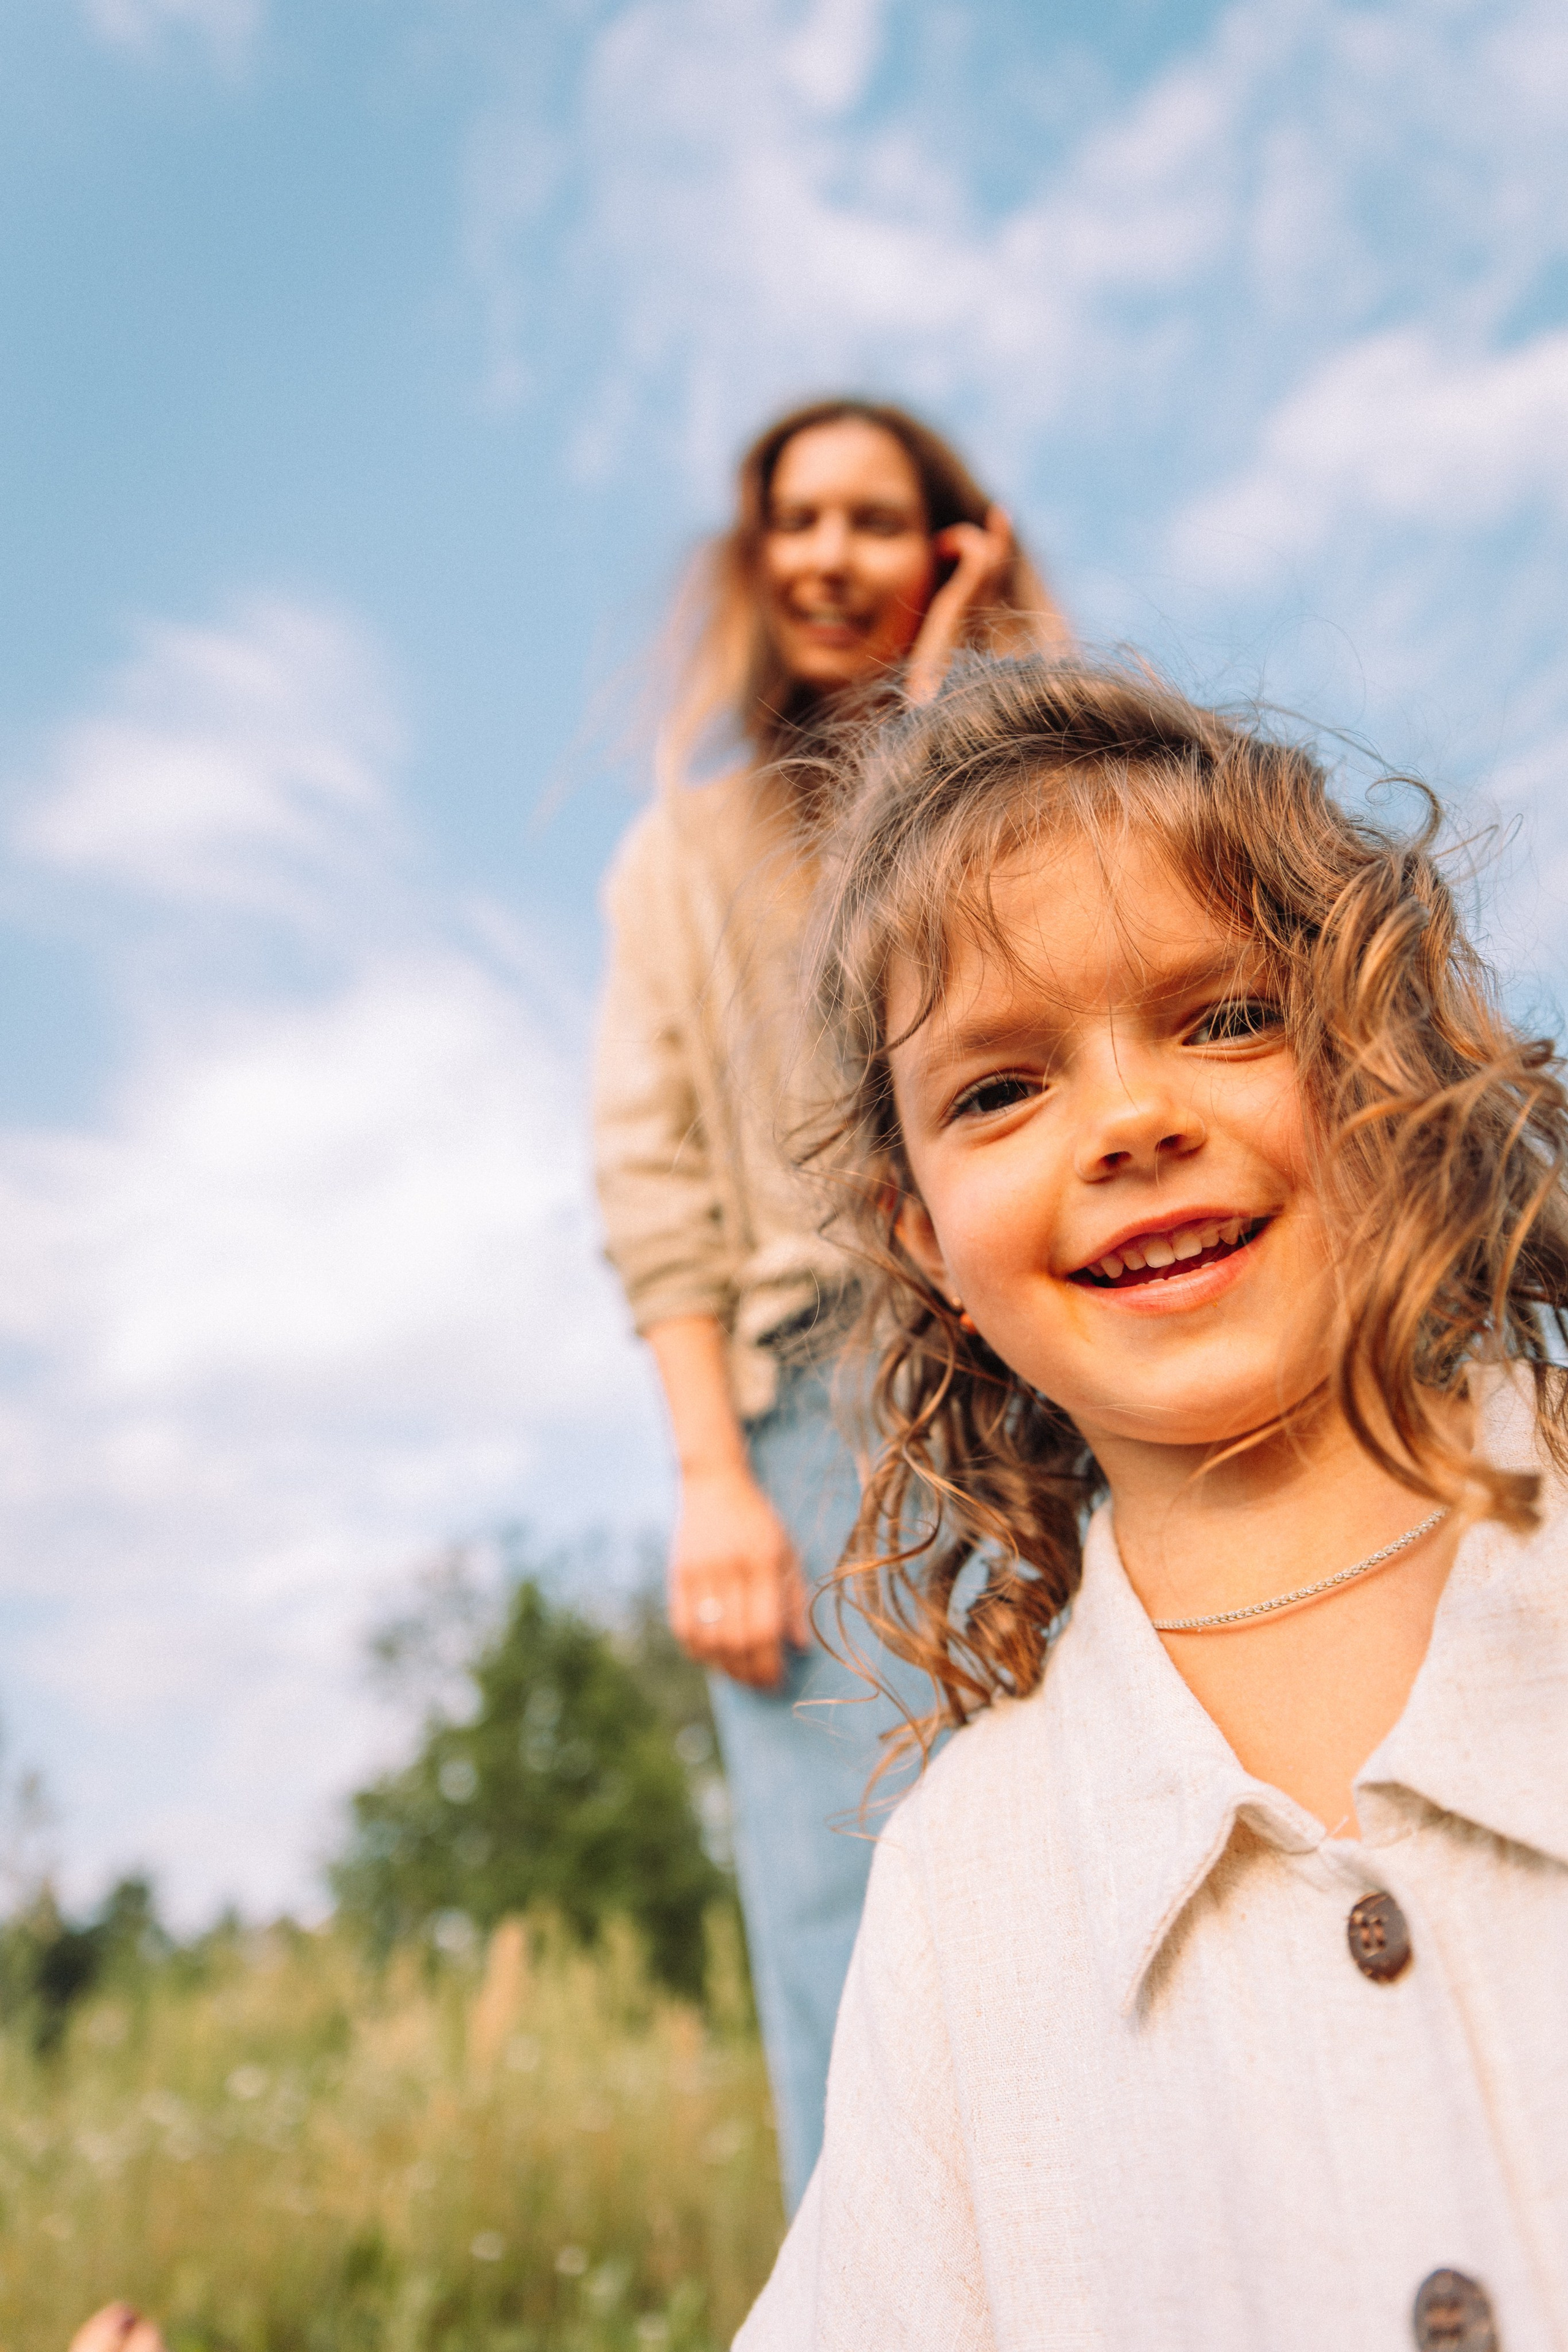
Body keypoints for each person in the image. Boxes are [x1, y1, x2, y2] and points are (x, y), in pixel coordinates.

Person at [737, 660, 1568, 2347]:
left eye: (1224, 1016)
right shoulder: (967, 1893)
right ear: (924, 1244)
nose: (1129, 1122)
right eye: (998, 1089)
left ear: (1377, 1045)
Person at [592, 401, 1069, 2209]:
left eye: (881, 519)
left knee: (1102, 1884)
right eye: (799, 518)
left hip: (1043, 1389)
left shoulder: (1009, 821)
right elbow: (652, 1185)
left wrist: (955, 713)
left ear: (953, 550)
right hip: (812, 1430)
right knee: (845, 1936)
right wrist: (712, 1475)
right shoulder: (681, 860)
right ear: (754, 554)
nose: (830, 554)